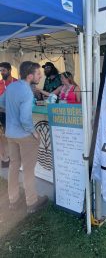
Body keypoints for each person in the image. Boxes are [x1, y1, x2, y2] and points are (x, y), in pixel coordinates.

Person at [0, 61, 48, 213]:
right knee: (28, 170)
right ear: (29, 76)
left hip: (11, 134)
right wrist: (34, 132)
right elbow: (25, 119)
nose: (40, 75)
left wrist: (11, 112)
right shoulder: (27, 91)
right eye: (38, 73)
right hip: (25, 136)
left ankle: (13, 200)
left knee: (14, 167)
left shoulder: (12, 86)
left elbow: (1, 102)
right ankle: (31, 202)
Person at [0, 62, 17, 168]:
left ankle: (11, 158)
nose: (2, 72)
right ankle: (4, 158)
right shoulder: (0, 83)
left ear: (9, 70)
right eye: (0, 70)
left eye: (3, 70)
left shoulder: (16, 83)